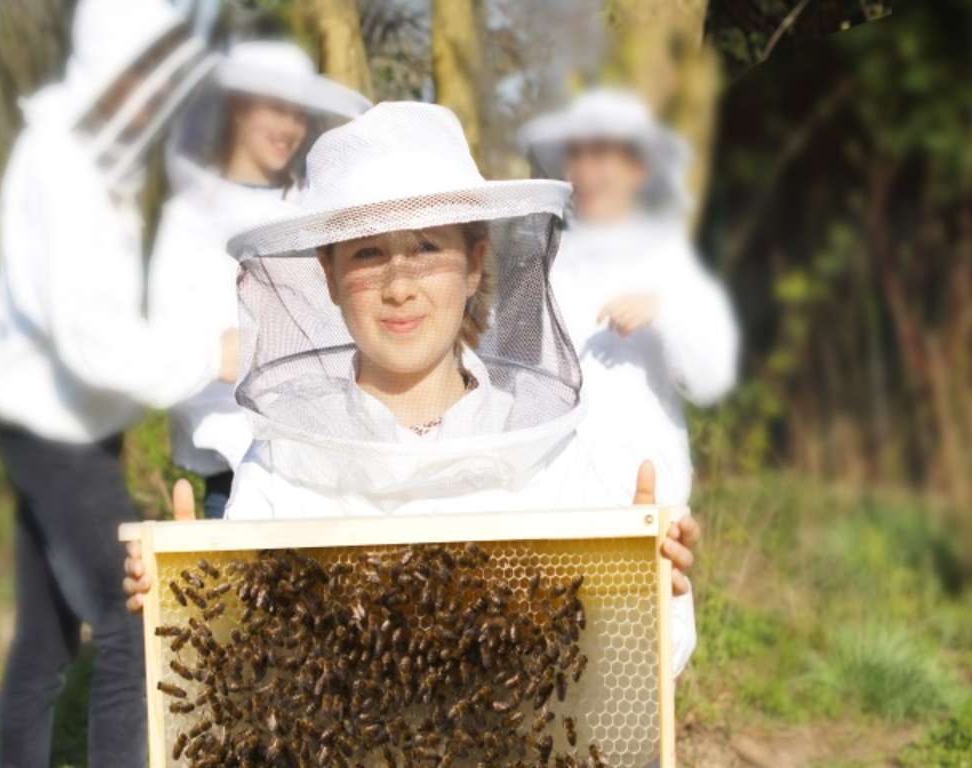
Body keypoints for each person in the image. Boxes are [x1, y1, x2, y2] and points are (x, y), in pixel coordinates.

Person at [125, 102, 701, 680]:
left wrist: (647, 587)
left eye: (426, 247)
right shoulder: (281, 463)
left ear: (474, 265)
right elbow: (239, 672)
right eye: (368, 253)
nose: (398, 286)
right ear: (329, 276)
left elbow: (634, 672)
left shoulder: (547, 452)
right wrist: (187, 603)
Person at [0, 1, 236, 765]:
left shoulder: (98, 158)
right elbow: (88, 341)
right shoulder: (63, 163)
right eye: (142, 70)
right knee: (133, 618)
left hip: (63, 423)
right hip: (53, 430)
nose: (156, 91)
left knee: (45, 642)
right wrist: (210, 356)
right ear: (109, 61)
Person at [149, 41, 371, 518]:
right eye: (275, 109)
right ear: (237, 108)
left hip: (328, 476)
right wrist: (216, 355)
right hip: (230, 479)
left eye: (298, 112)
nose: (289, 127)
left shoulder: (312, 211)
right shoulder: (185, 221)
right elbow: (151, 359)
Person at [518, 87, 739, 507]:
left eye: (601, 155)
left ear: (637, 168)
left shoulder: (670, 259)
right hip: (554, 505)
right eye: (577, 155)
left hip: (644, 501)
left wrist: (665, 312)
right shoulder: (545, 261)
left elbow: (711, 379)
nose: (586, 171)